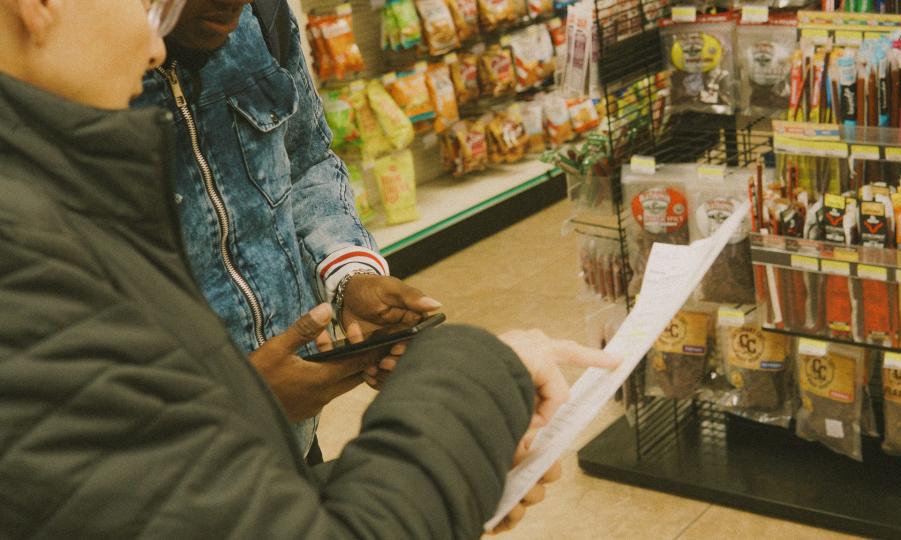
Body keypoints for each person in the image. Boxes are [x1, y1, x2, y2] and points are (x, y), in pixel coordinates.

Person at [0, 0, 618, 536]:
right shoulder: (33, 256)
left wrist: (347, 274)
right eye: (149, 4)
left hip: (268, 441)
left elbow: (304, 158)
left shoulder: (260, 25)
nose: (153, 40)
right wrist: (478, 377)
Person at [131, 0, 435, 457]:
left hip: (295, 434)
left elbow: (304, 159)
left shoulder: (265, 17)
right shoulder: (67, 74)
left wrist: (347, 273)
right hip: (172, 471)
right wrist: (237, 401)